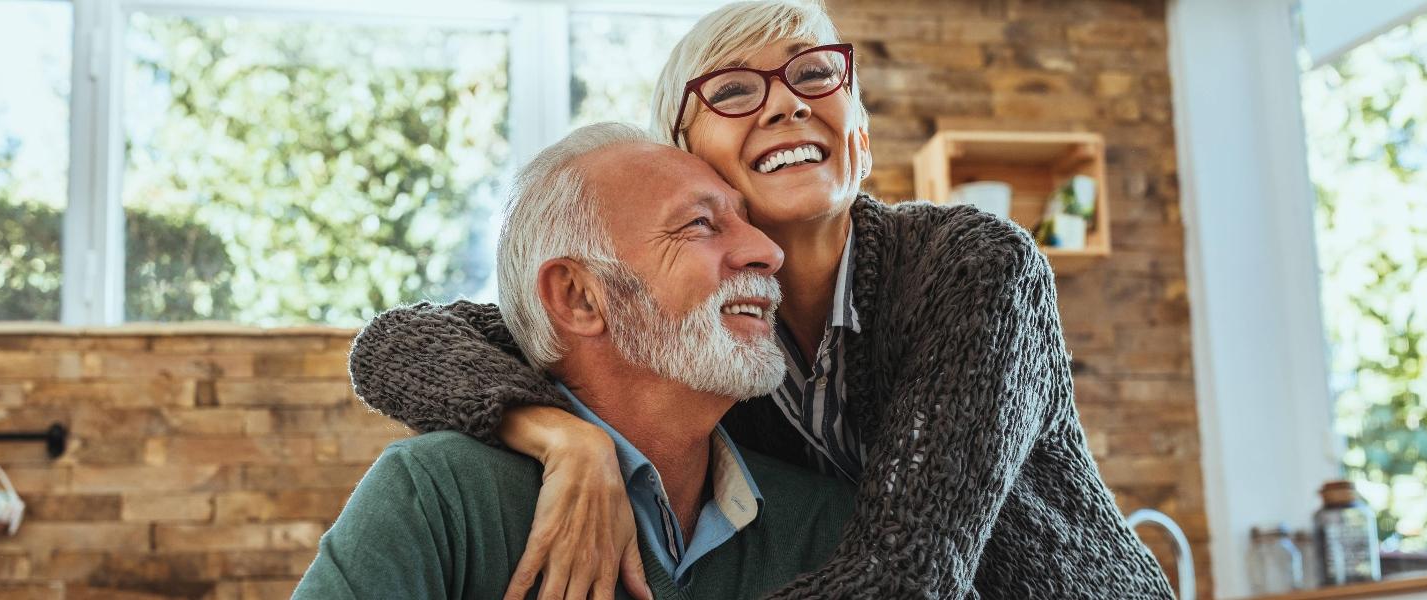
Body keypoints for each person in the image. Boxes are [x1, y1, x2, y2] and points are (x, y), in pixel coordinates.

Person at [345, 1, 1174, 598]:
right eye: (736, 91)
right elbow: (398, 345)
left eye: (815, 74)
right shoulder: (699, 331)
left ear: (859, 136)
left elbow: (906, 579)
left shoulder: (973, 267)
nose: (787, 100)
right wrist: (566, 438)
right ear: (685, 156)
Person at [295, 123, 857, 600]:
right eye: (699, 224)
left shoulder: (826, 525)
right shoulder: (440, 497)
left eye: (746, 220)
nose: (768, 252)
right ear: (579, 297)